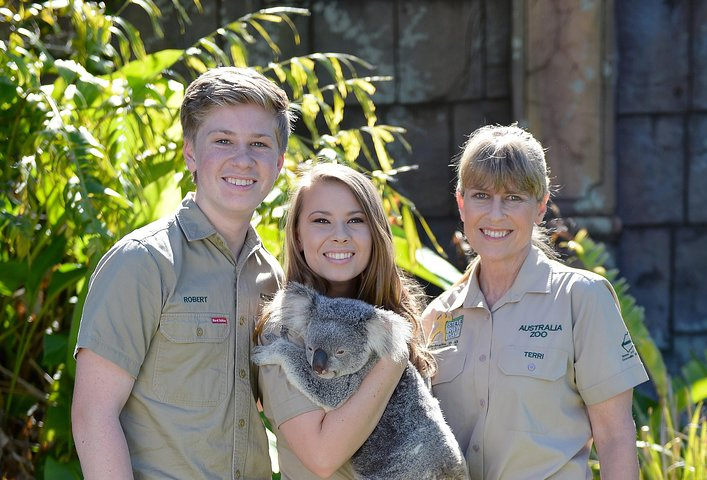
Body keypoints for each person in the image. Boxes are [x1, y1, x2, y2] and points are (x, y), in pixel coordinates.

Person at [71, 66, 293, 479]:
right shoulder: (142, 263)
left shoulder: (271, 277)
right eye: (223, 140)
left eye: (259, 144)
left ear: (279, 163)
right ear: (191, 152)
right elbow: (93, 415)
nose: (242, 160)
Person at [422, 124, 649, 479]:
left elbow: (615, 437)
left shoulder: (581, 299)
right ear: (461, 203)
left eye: (513, 197)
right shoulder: (435, 318)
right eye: (481, 195)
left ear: (540, 207)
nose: (495, 214)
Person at [254, 162, 436, 479]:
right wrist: (394, 357)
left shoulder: (392, 314)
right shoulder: (286, 331)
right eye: (321, 221)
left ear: (375, 232)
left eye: (355, 220)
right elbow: (323, 456)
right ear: (297, 236)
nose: (340, 236)